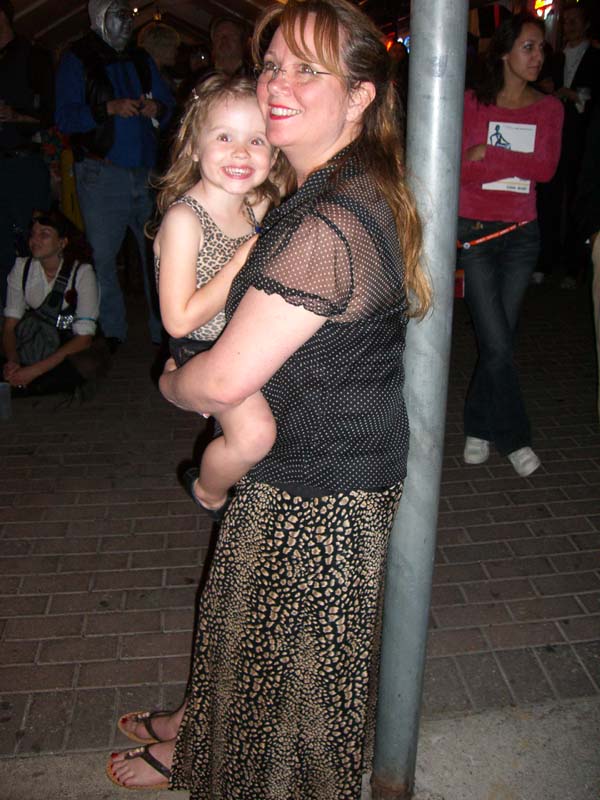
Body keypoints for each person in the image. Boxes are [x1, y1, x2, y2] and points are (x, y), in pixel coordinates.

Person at [107, 0, 430, 796]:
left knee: (288, 692)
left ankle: (223, 761)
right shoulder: (336, 181)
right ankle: (193, 733)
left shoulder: (326, 221)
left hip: (321, 483)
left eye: (306, 70)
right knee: (242, 633)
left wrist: (171, 383)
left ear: (359, 95)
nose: (279, 84)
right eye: (274, 64)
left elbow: (219, 380)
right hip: (316, 462)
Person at [153, 73, 285, 518]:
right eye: (224, 136)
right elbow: (177, 319)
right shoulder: (184, 220)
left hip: (250, 337)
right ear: (194, 145)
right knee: (254, 436)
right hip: (202, 345)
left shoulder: (256, 203)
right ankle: (208, 491)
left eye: (257, 141)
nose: (241, 153)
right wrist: (237, 266)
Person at [458, 13, 563, 477]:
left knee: (498, 341)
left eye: (541, 48)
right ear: (504, 51)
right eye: (528, 46)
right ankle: (515, 436)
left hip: (523, 236)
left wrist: (490, 155)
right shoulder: (471, 104)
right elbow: (458, 169)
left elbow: (544, 169)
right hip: (477, 234)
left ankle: (479, 426)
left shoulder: (549, 109)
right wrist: (494, 161)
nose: (538, 56)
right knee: (497, 341)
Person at [55, 0, 174, 351]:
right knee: (104, 259)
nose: (125, 23)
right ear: (98, 19)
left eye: (128, 16)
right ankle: (112, 332)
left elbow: (169, 108)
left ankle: (162, 330)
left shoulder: (140, 59)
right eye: (117, 16)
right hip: (101, 174)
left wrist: (158, 108)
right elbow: (64, 118)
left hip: (145, 174)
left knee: (158, 255)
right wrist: (107, 109)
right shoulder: (76, 59)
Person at [2, 209, 100, 396]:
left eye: (44, 234)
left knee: (82, 368)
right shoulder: (21, 268)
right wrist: (12, 361)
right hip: (32, 343)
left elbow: (84, 338)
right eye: (32, 235)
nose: (34, 240)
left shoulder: (82, 272)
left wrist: (35, 370)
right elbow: (9, 326)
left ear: (62, 242)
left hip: (66, 347)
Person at [0, 0, 54, 307]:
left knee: (31, 243)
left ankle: (36, 318)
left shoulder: (34, 56)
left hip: (23, 166)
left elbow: (51, 114)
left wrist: (16, 114)